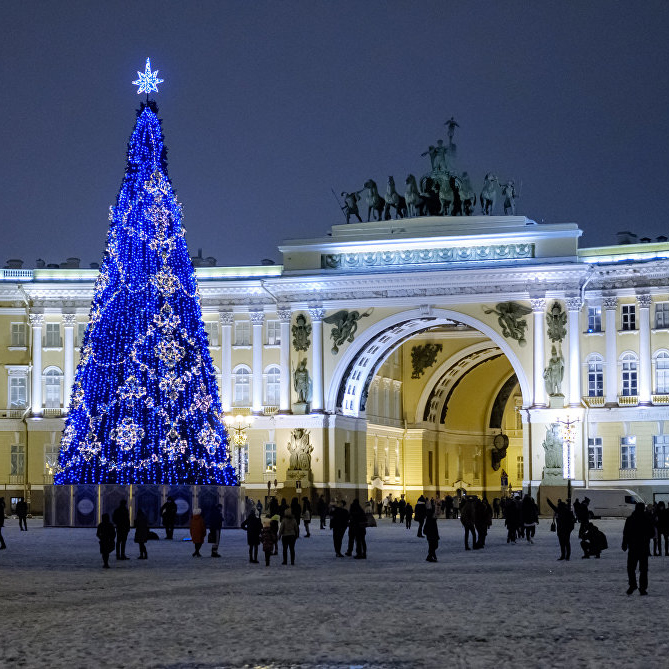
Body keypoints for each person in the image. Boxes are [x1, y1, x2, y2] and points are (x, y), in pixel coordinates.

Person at [622, 502, 655, 595]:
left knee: (631, 568)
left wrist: (625, 543)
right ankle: (642, 588)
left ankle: (633, 584)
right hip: (644, 547)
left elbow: (626, 533)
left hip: (633, 547)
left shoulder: (630, 519)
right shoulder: (646, 519)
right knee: (643, 569)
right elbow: (652, 533)